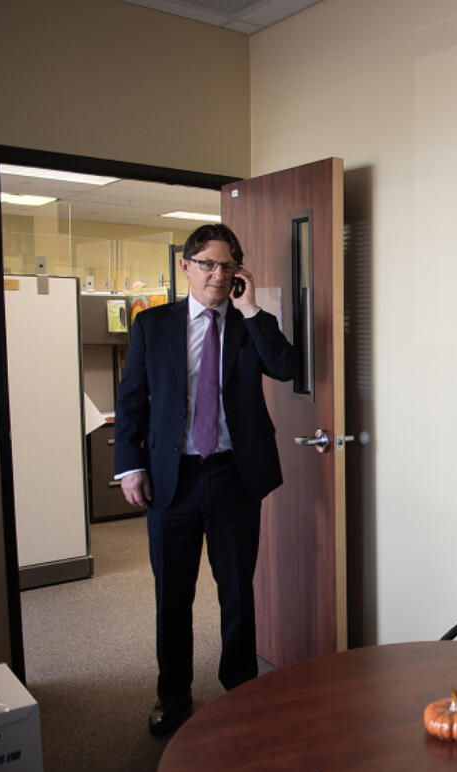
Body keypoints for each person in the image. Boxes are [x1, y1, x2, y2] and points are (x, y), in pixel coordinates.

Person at [113, 223, 296, 735]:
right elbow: (132, 400)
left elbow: (286, 368)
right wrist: (129, 465)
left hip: (233, 477)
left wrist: (252, 310)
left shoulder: (248, 324)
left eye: (229, 266)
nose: (219, 275)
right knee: (173, 594)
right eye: (209, 264)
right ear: (186, 266)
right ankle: (173, 696)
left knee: (237, 591)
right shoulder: (153, 326)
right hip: (172, 480)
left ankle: (239, 689)